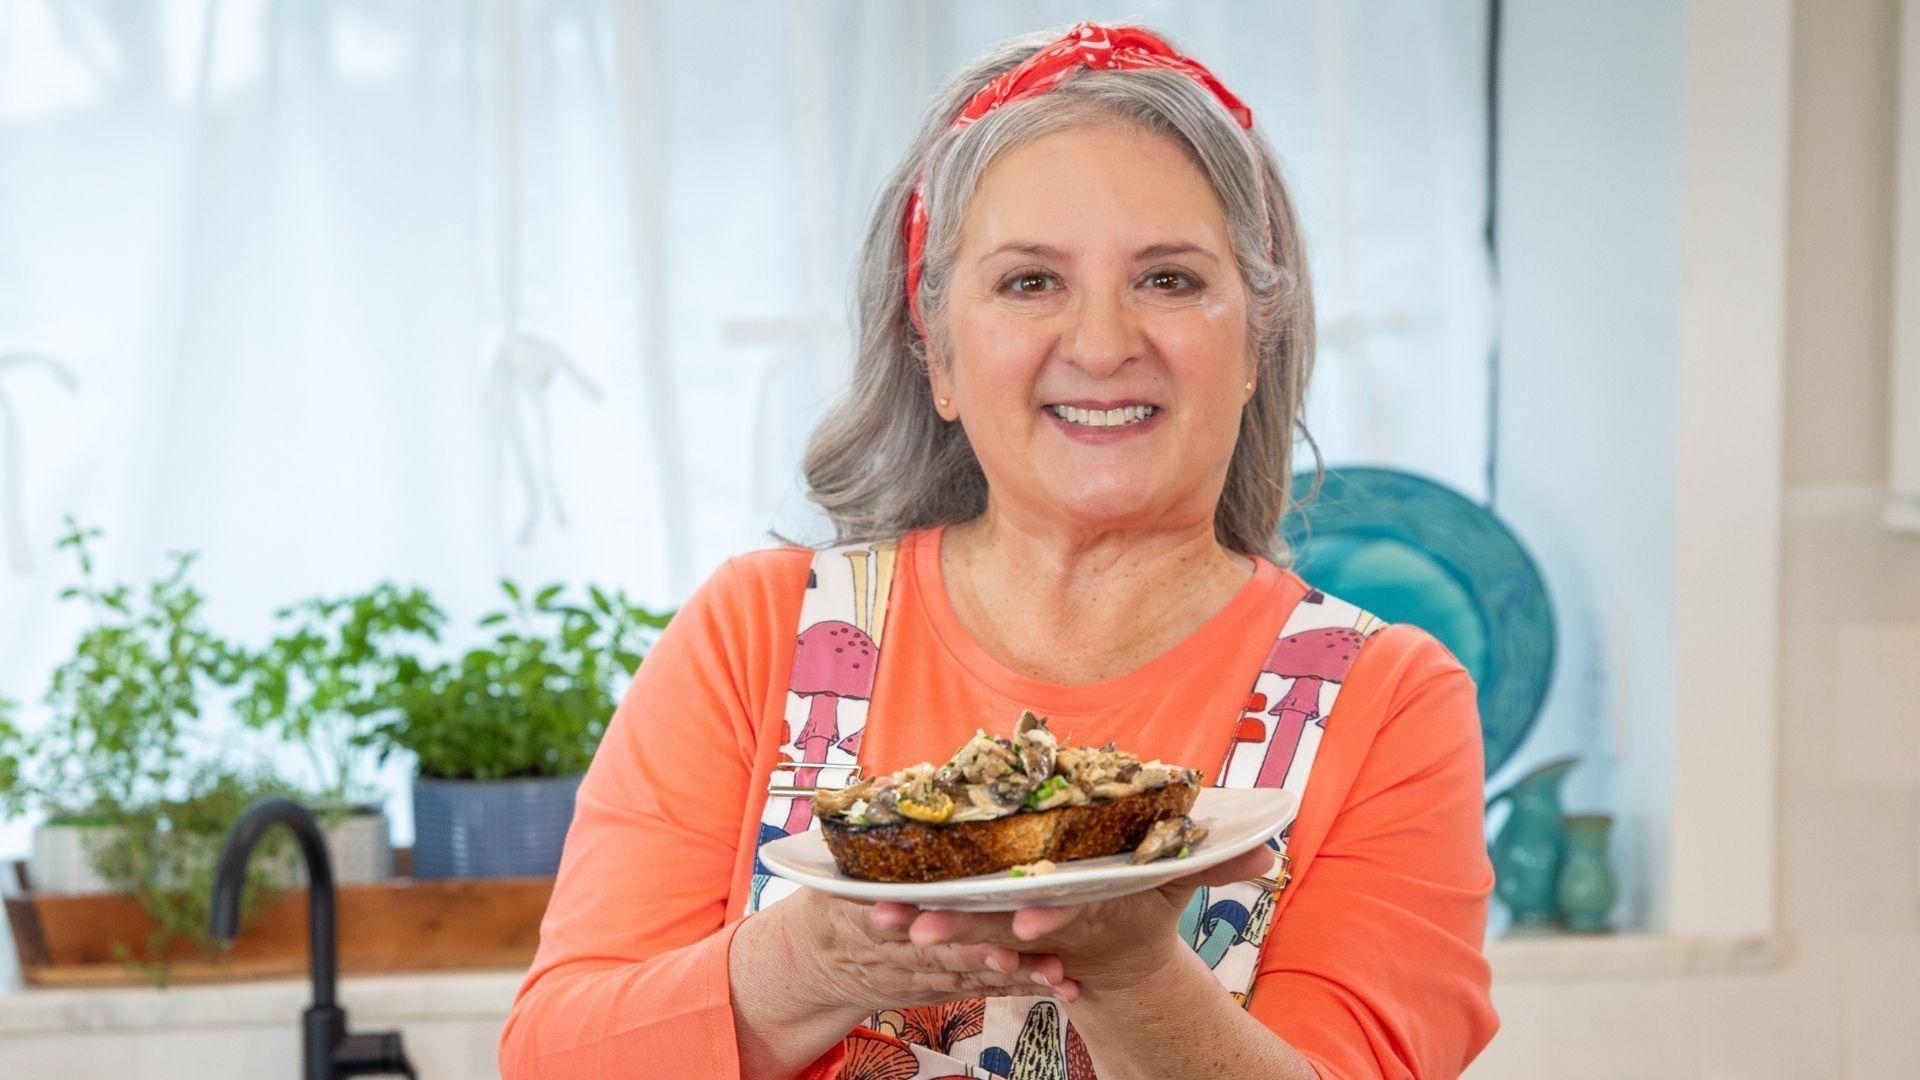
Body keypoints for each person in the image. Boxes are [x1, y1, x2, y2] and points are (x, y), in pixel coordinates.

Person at [500, 21, 1496, 1080]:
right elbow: (556, 1058)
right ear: (936, 347)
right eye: (1030, 282)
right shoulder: (760, 634)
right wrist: (822, 958)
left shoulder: (1387, 704)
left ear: (1255, 341)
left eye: (1169, 280)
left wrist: (1131, 972)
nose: (1105, 343)